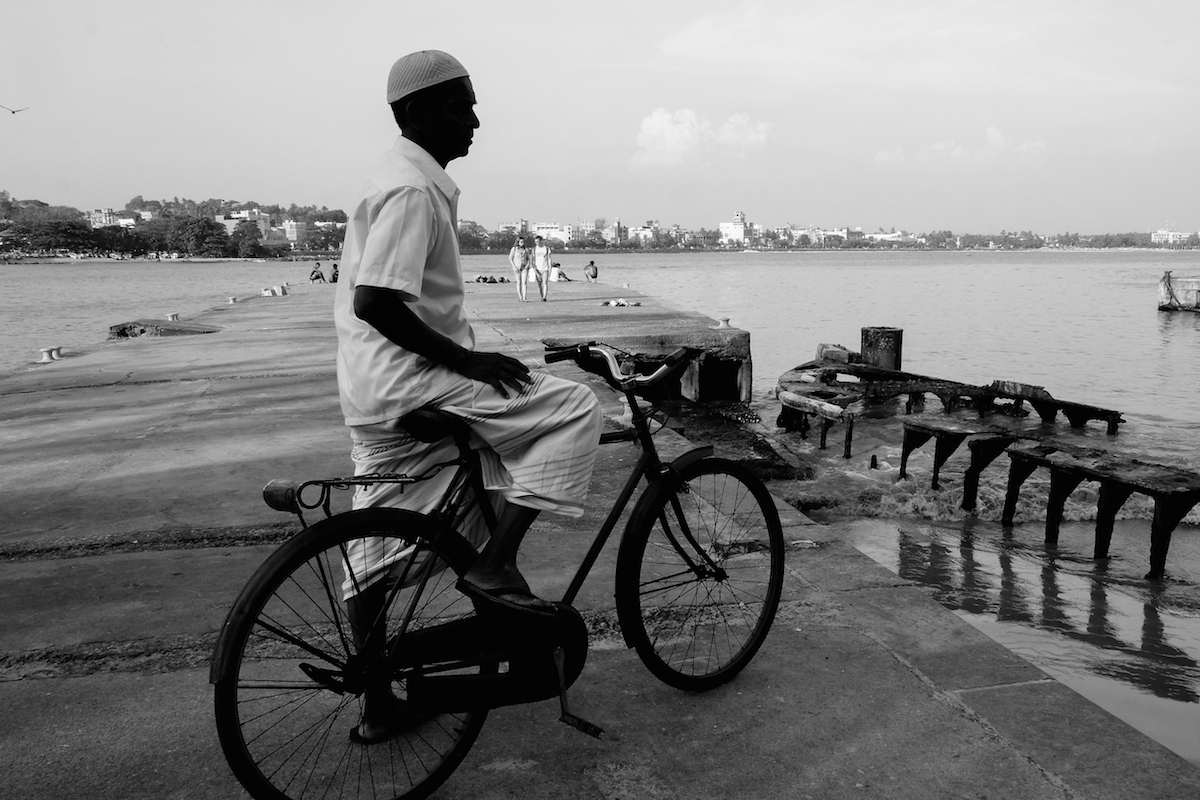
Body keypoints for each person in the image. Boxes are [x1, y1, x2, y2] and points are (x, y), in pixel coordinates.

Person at [334, 50, 602, 743]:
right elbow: (374, 301)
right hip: (414, 381)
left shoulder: (398, 177)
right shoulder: (411, 191)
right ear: (416, 111)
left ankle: (379, 701)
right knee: (575, 408)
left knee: (377, 547)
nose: (475, 121)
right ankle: (495, 566)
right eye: (462, 106)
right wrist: (468, 360)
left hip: (376, 390)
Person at [531, 235, 552, 301]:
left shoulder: (546, 248)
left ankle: (544, 297)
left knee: (545, 282)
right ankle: (541, 295)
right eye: (535, 242)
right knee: (539, 284)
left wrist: (550, 267)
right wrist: (534, 269)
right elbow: (533, 260)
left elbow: (549, 258)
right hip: (537, 268)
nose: (537, 243)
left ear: (541, 241)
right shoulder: (534, 249)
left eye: (538, 241)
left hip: (545, 268)